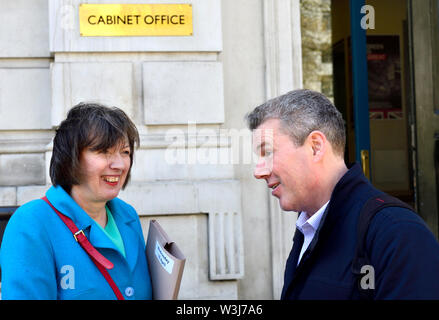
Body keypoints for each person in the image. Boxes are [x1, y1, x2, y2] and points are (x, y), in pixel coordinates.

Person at [246, 89, 439, 299]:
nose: (259, 171)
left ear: (315, 147)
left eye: (269, 152)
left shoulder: (398, 233)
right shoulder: (308, 229)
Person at [0, 102, 152, 300]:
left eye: (125, 152)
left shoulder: (127, 215)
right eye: (104, 152)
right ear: (71, 158)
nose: (119, 164)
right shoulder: (31, 223)